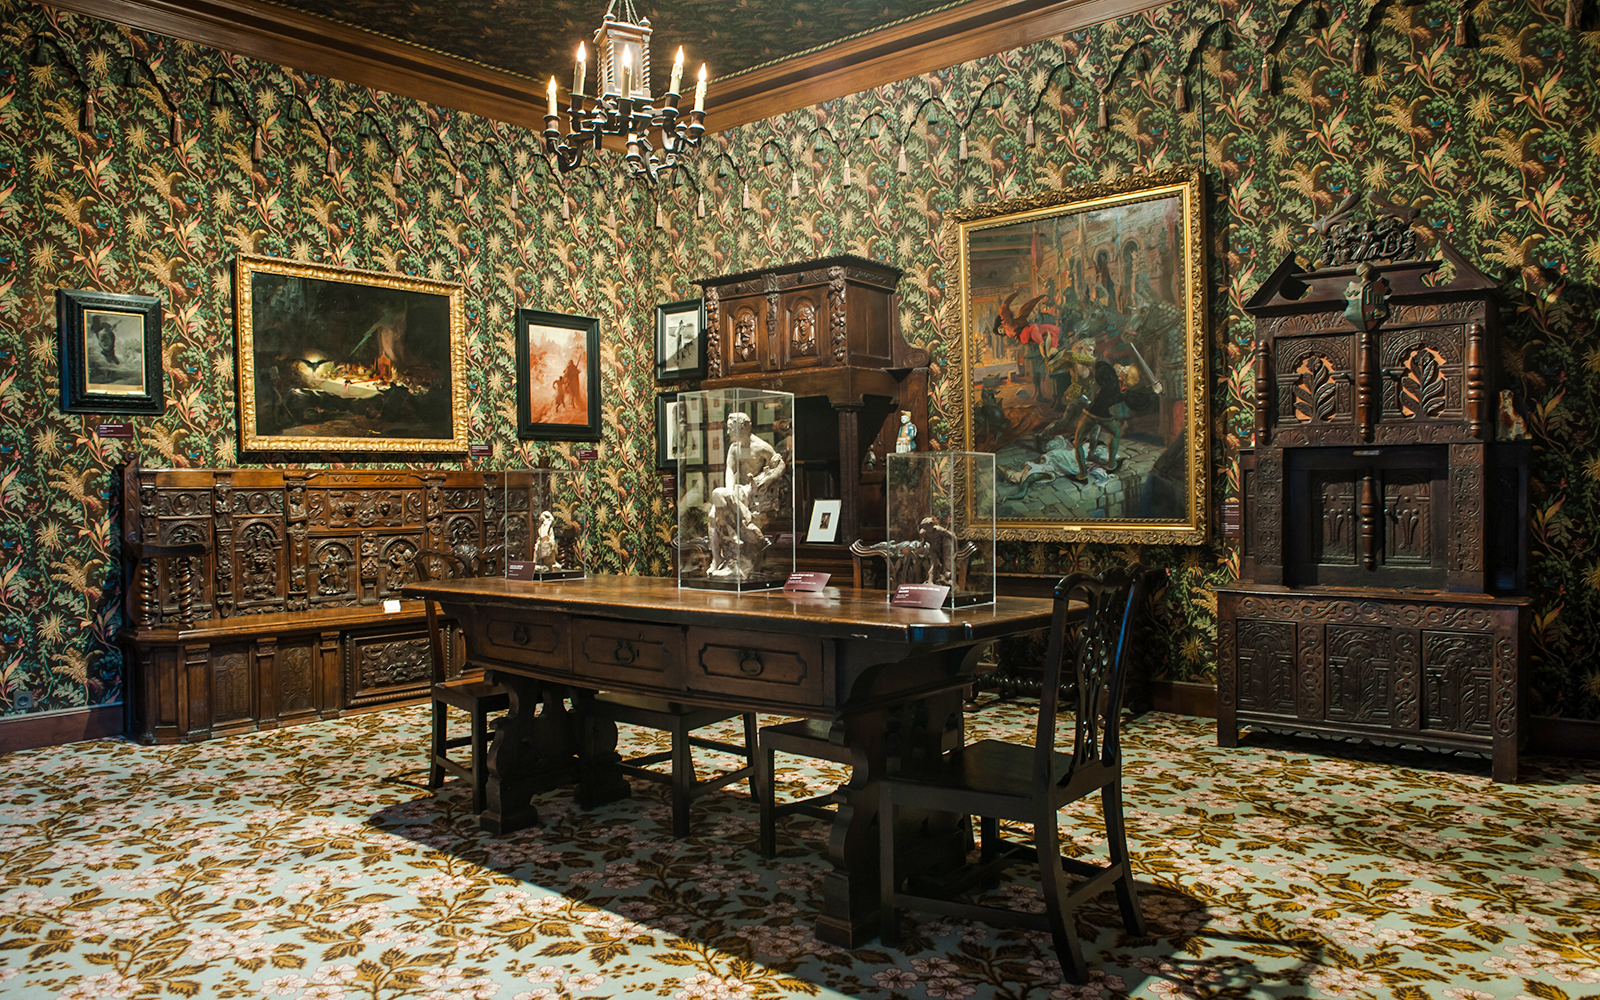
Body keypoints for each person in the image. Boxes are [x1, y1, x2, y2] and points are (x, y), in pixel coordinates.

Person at [707, 411, 785, 578]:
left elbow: (779, 465)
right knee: (714, 511)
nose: (728, 432)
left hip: (754, 491)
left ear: (743, 427)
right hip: (739, 489)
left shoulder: (760, 446)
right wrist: (729, 489)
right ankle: (717, 558)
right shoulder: (734, 448)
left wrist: (768, 479)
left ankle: (741, 534)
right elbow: (730, 469)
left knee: (716, 504)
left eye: (731, 428)